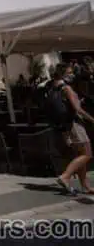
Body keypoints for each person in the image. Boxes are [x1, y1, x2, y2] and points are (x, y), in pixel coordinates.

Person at [49, 63, 94, 195]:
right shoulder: (66, 88)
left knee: (81, 155)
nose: (72, 75)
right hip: (75, 124)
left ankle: (85, 186)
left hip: (66, 125)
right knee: (87, 154)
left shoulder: (53, 88)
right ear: (63, 74)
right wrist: (92, 119)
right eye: (69, 72)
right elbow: (77, 109)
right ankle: (65, 176)